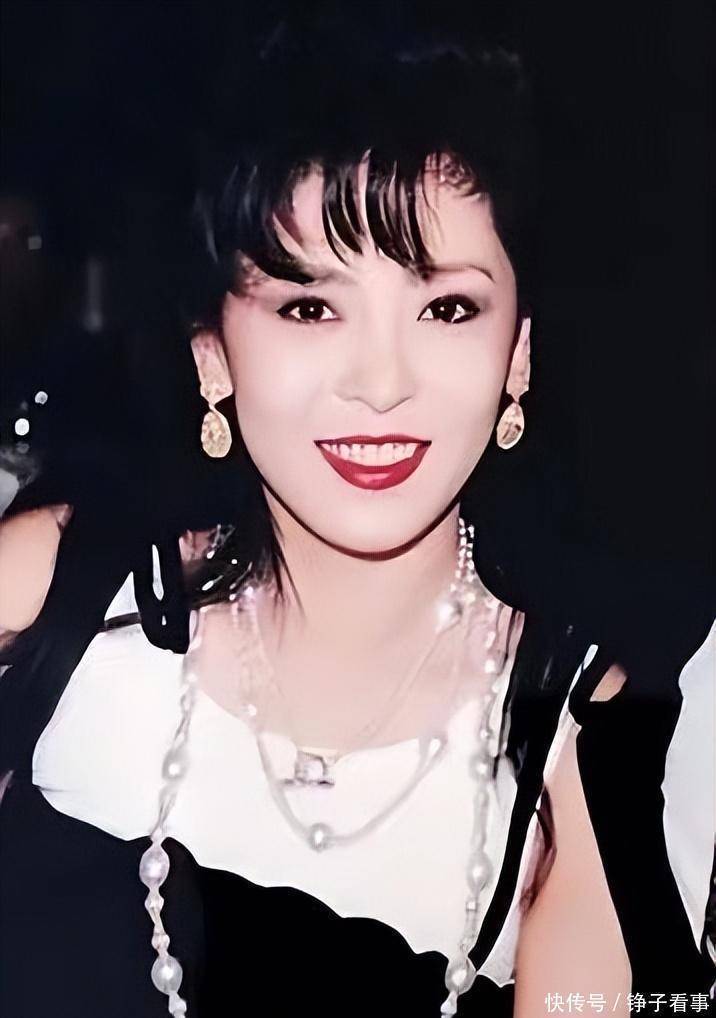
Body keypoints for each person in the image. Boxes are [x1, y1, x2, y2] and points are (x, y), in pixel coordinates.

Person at [0, 28, 713, 1018]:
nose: (380, 384)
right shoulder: (55, 587)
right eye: (309, 309)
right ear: (212, 356)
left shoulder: (585, 744)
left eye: (447, 309)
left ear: (516, 357)